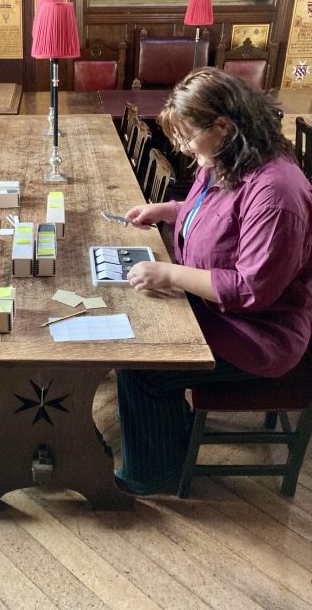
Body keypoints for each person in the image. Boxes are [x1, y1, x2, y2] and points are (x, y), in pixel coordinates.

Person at [115, 67, 311, 495]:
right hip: (214, 311)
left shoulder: (277, 191)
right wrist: (169, 210)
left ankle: (153, 474)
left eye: (188, 136)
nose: (184, 147)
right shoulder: (228, 157)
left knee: (142, 366)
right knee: (138, 333)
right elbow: (213, 210)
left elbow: (251, 290)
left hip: (258, 335)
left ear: (223, 124)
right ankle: (170, 438)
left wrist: (169, 272)